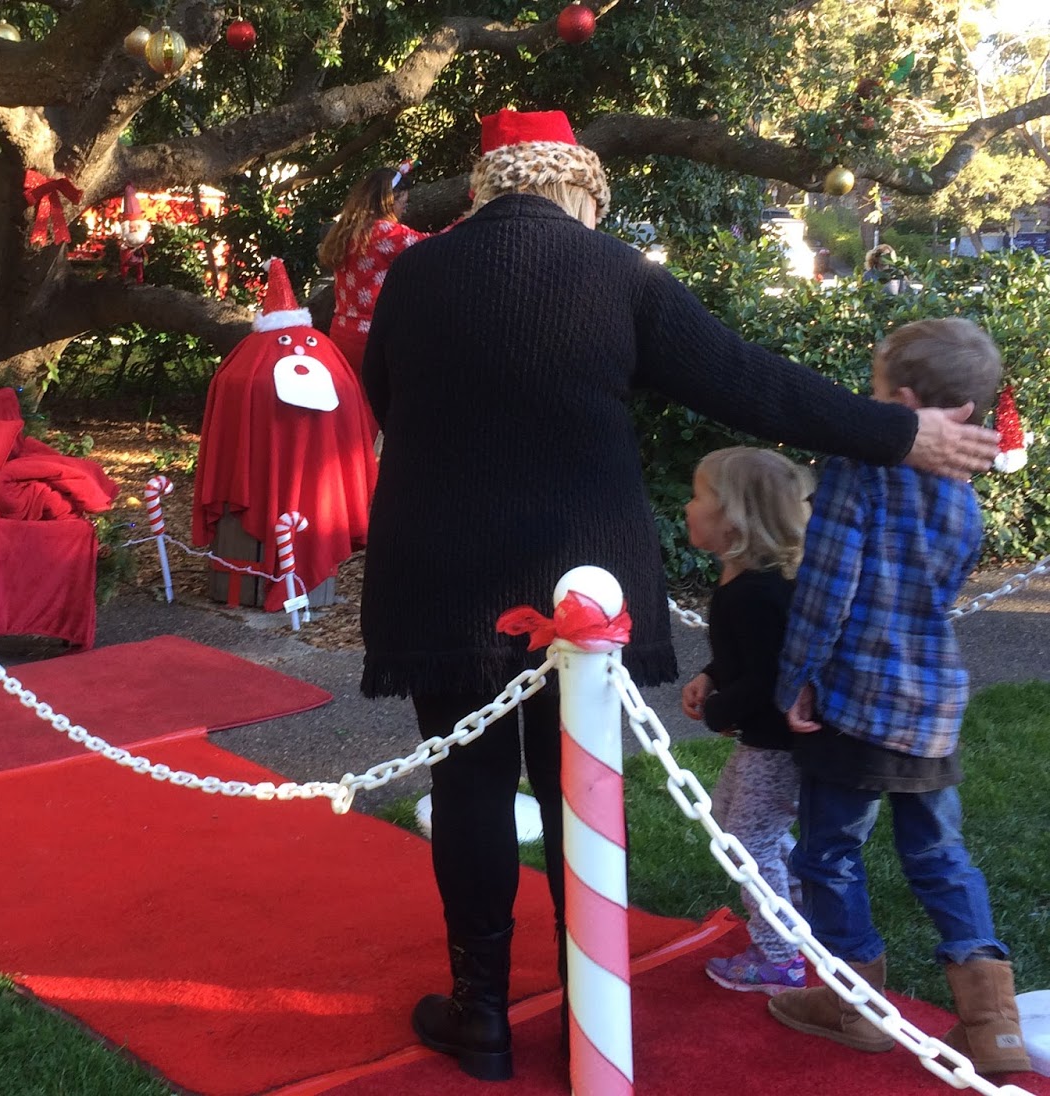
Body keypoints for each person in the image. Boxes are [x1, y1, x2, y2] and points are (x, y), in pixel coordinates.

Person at [358, 107, 1000, 1082]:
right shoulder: (616, 275)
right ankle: (590, 1001)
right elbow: (750, 385)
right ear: (575, 187)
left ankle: (481, 1016)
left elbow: (383, 398)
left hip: (439, 564)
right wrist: (899, 434)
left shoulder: (413, 273)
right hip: (581, 574)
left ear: (490, 188)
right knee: (575, 782)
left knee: (470, 782)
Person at [768, 318, 1030, 1075]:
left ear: (906, 403)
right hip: (933, 703)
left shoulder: (858, 468)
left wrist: (798, 678)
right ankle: (994, 1023)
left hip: (857, 700)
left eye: (876, 395)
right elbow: (938, 589)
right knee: (942, 855)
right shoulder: (963, 494)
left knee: (829, 853)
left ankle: (852, 1003)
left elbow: (826, 588)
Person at [679, 447, 813, 996]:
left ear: (732, 519)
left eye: (698, 496)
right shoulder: (749, 584)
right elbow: (750, 656)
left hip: (778, 746)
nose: (687, 507)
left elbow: (769, 677)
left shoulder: (756, 594)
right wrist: (712, 675)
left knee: (747, 843)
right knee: (741, 828)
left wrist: (717, 710)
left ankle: (783, 955)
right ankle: (801, 918)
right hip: (765, 740)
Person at [318, 163, 429, 401]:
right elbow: (434, 247)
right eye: (403, 203)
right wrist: (468, 222)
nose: (403, 211)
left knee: (354, 405)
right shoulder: (387, 233)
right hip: (372, 337)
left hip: (341, 332)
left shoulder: (347, 229)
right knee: (379, 410)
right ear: (390, 201)